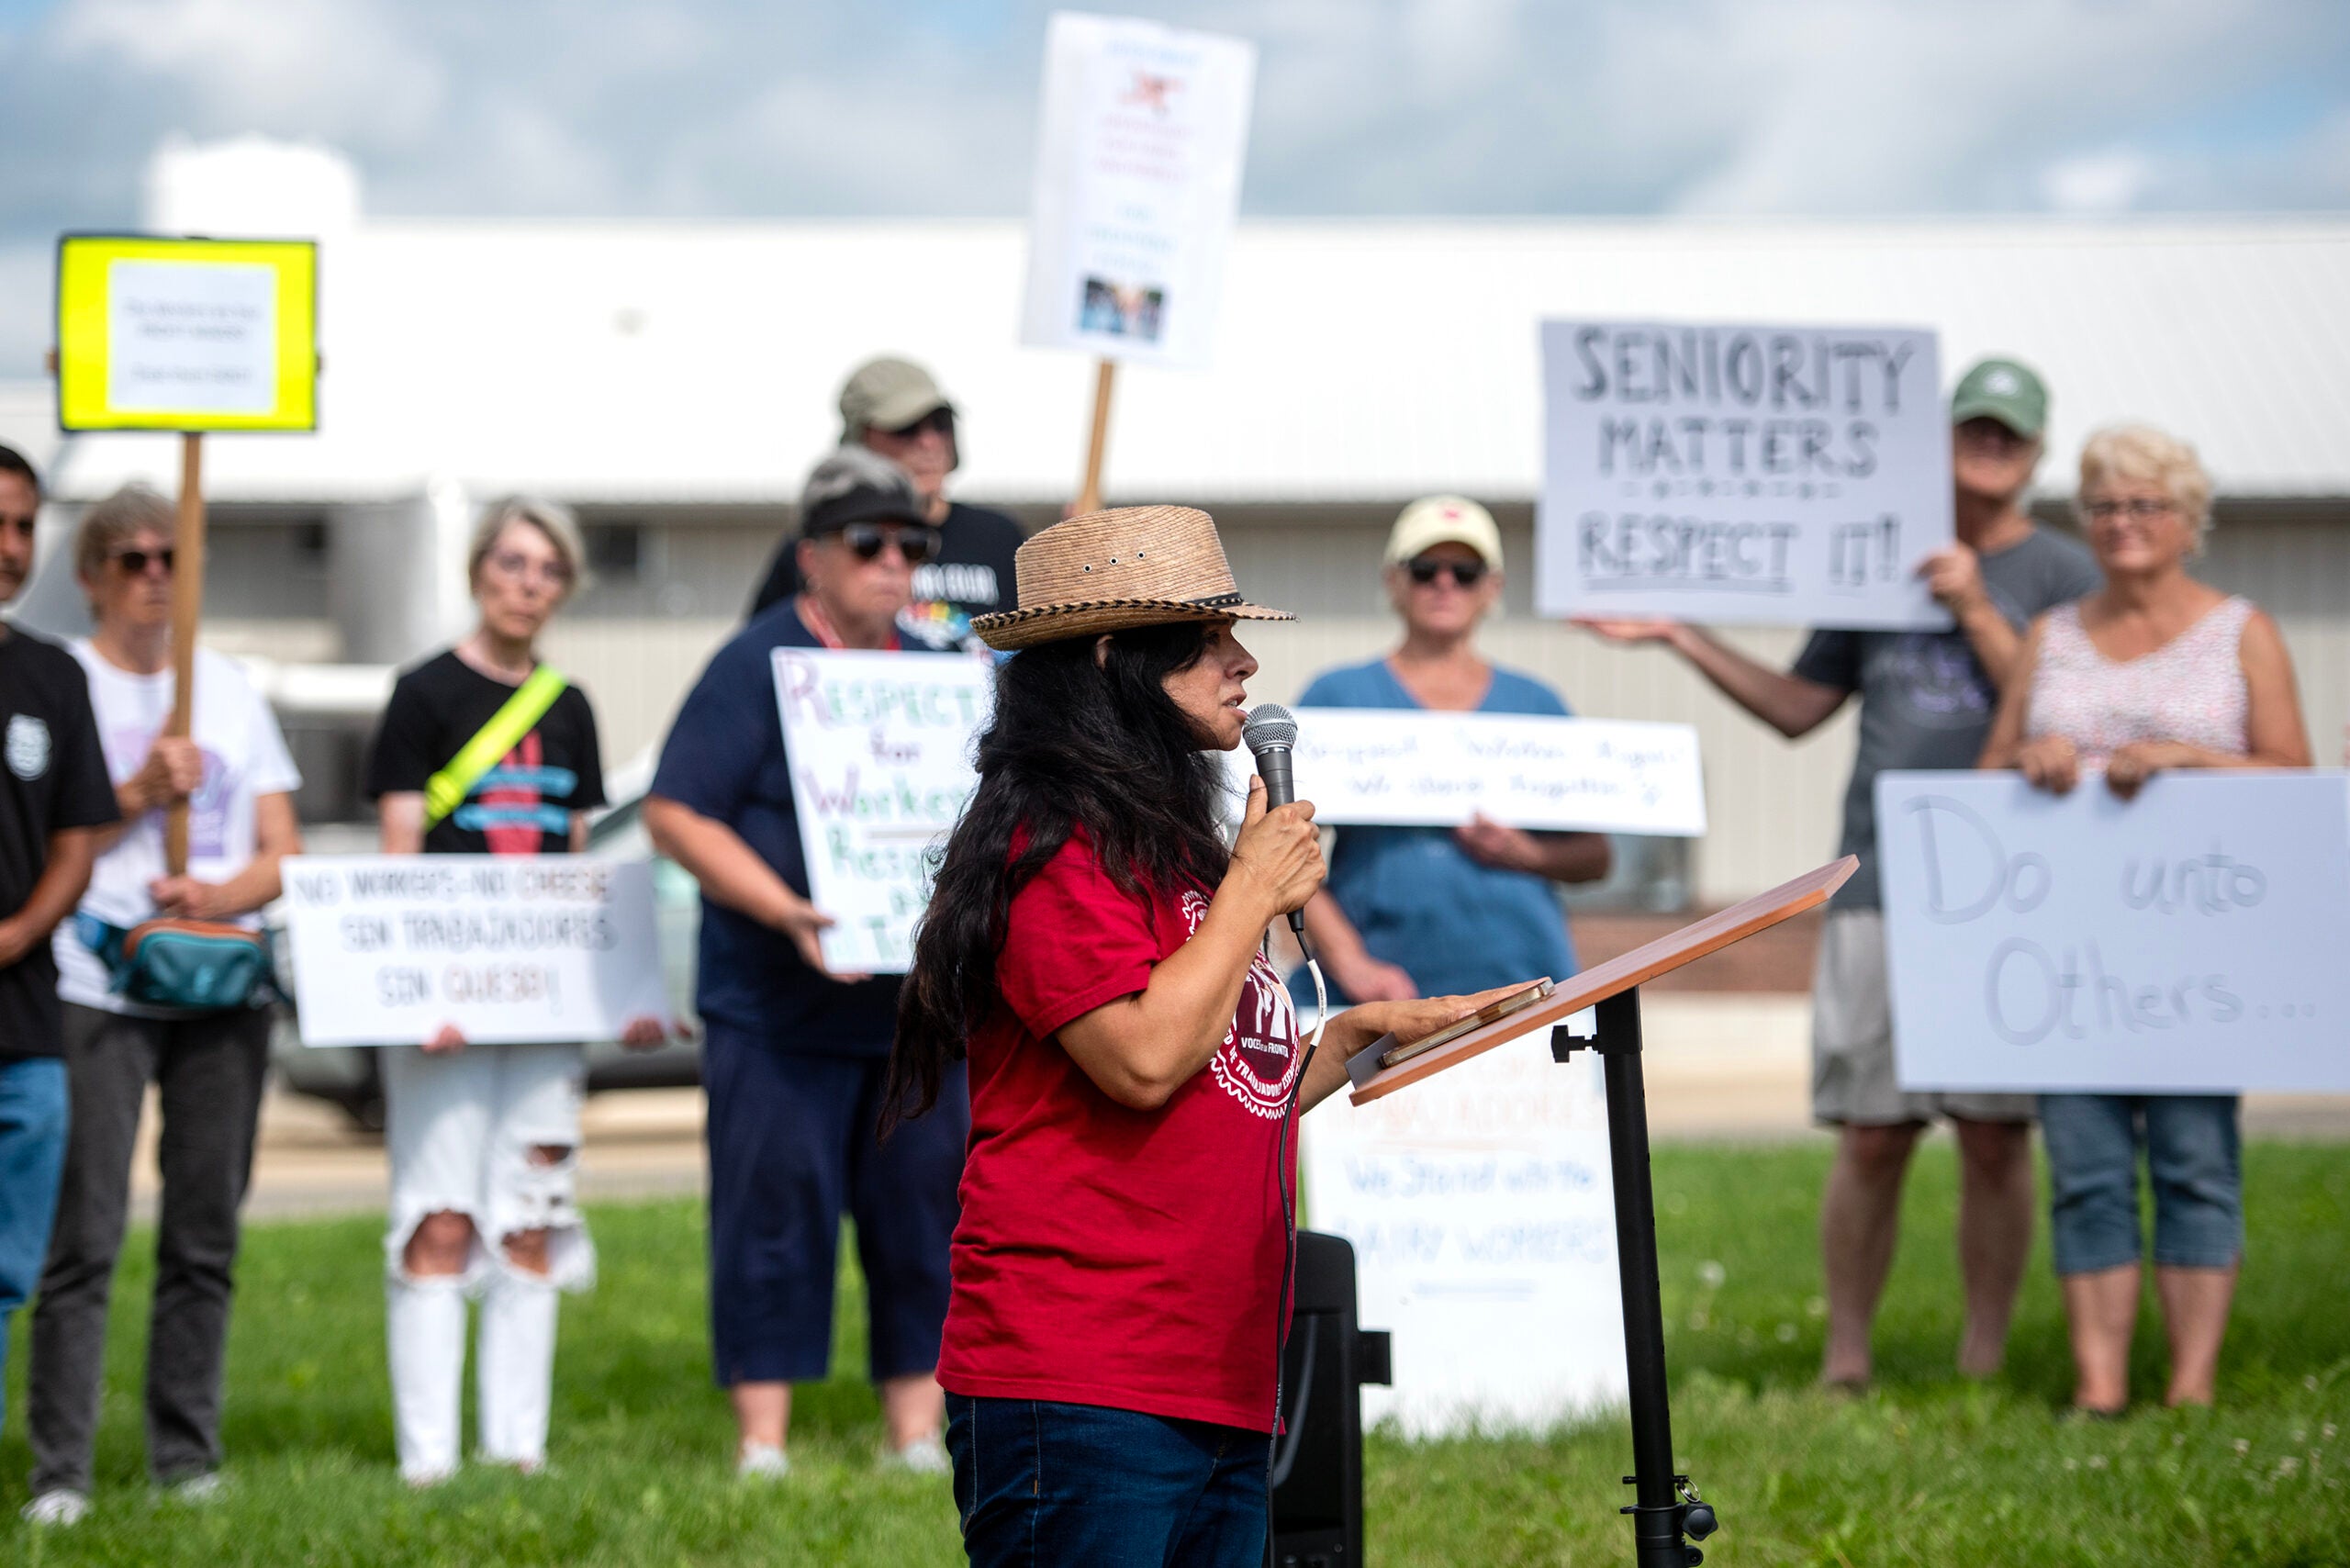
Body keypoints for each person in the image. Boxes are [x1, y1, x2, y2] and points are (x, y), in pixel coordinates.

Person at [889, 505, 1517, 1565]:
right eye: (1211, 637)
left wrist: (1352, 1037)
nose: (1245, 660)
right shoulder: (1051, 840)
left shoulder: (1168, 850)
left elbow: (1216, 1074)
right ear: (1111, 655)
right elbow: (1140, 1061)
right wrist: (1249, 889)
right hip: (1085, 1381)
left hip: (1214, 1373)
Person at [1580, 358, 2102, 1388]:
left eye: (2009, 434)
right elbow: (1796, 707)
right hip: (1879, 890)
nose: (1989, 448)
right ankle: (1846, 1359)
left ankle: (1984, 1355)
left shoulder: (2062, 575)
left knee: (1996, 1136)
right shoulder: (1879, 561)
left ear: (2036, 453)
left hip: (2008, 895)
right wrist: (1682, 635)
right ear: (1943, 439)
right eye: (1974, 429)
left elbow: (2066, 716)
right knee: (1871, 1131)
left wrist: (1975, 606)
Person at [646, 447, 968, 1478]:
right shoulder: (758, 661)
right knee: (771, 1220)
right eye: (867, 543)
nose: (893, 561)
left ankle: (914, 1432)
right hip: (773, 1008)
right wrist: (785, 909)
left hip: (915, 1016)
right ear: (812, 558)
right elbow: (674, 811)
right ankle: (764, 1442)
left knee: (923, 1216)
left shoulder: (942, 670)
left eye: (911, 543)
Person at [1978, 424, 2309, 1413]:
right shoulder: (2053, 634)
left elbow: (2295, 779)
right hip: (2068, 956)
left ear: (2186, 521)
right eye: (2104, 507)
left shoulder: (2240, 629)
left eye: (2144, 506)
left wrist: (2190, 759)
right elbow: (1986, 771)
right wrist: (2030, 757)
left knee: (2194, 1156)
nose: (2121, 525)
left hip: (2197, 954)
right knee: (2081, 1164)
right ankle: (2098, 1386)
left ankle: (2192, 1387)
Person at [364, 496, 662, 1485]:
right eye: (511, 561)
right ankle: (428, 1462)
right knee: (439, 1212)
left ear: (562, 587)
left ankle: (517, 1448)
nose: (526, 582)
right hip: (443, 1002)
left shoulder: (570, 707)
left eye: (546, 569)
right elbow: (400, 853)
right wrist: (417, 994)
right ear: (477, 569)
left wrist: (612, 986)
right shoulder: (420, 693)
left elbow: (578, 873)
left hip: (542, 1004)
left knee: (531, 1212)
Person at [22, 485, 303, 1521]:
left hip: (218, 984)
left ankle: (185, 1452)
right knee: (83, 1235)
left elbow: (285, 847)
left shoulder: (226, 688)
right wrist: (136, 794)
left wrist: (221, 891)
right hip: (99, 984)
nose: (152, 576)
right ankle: (61, 1469)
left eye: (168, 559)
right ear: (93, 573)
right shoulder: (66, 684)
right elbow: (43, 843)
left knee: (203, 1232)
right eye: (130, 558)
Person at [1292, 496, 1610, 1011]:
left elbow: (1596, 857)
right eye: (1425, 569)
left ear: (1493, 587)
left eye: (1464, 571)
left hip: (1520, 989)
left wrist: (1523, 853)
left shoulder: (1538, 705)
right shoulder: (1337, 698)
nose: (1444, 583)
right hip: (1371, 999)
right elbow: (1282, 851)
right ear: (1393, 581)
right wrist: (1349, 962)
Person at [0, 448, 117, 1527]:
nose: (8, 546)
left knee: (5, 1273)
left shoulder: (51, 676)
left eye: (24, 524)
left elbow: (79, 839)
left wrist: (18, 931)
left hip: (25, 1031)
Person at [746, 355, 1025, 644]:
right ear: (858, 442)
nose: (929, 442)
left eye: (941, 424)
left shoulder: (1000, 538)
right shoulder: (824, 544)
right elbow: (766, 657)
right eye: (906, 427)